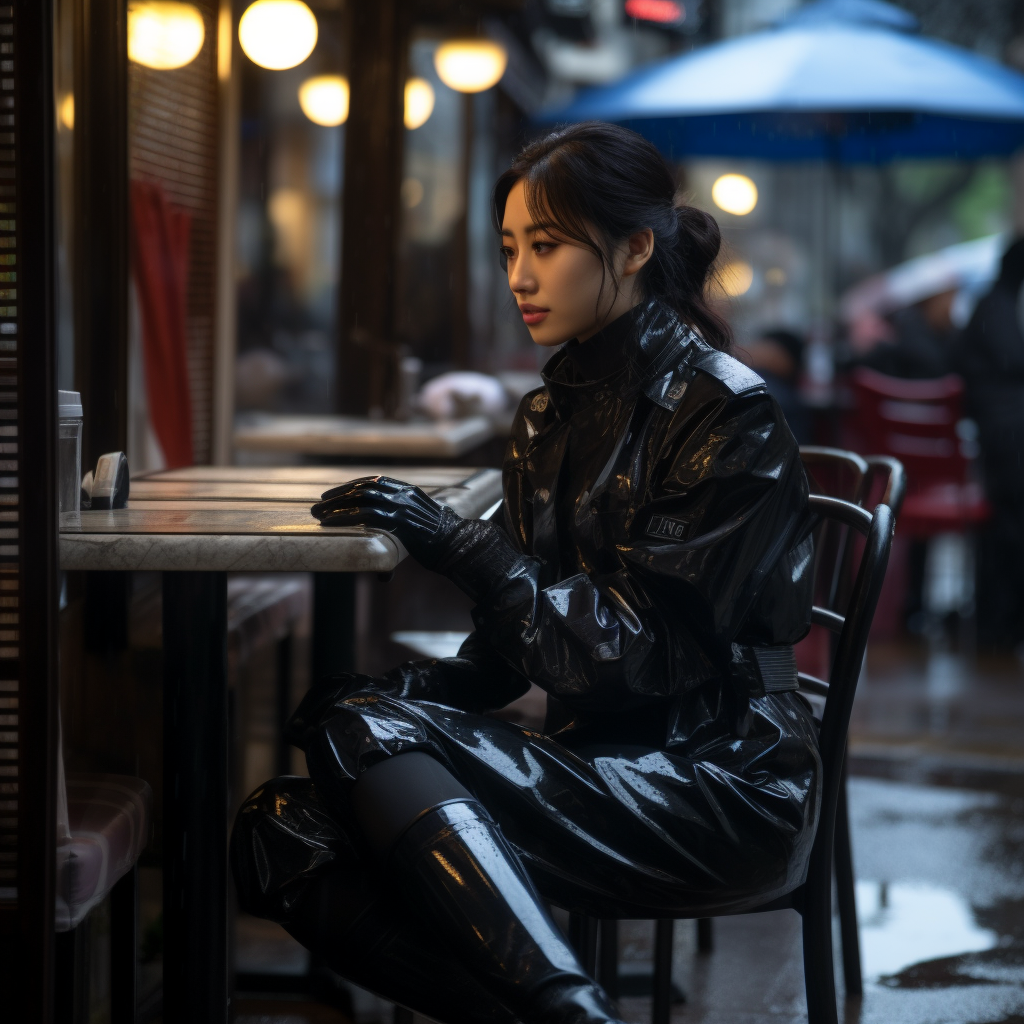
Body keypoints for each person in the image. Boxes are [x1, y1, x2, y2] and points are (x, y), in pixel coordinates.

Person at [231, 123, 821, 1024]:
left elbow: (631, 657)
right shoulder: (551, 413)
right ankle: (562, 1014)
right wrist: (394, 694)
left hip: (721, 781)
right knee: (281, 827)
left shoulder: (724, 412)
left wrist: (463, 547)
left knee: (370, 736)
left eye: (546, 246)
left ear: (634, 247)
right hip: (595, 761)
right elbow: (514, 658)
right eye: (509, 248)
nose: (520, 276)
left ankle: (566, 1011)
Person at [954, 239, 1024, 652]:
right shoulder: (1000, 307)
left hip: (1001, 436)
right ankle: (1003, 622)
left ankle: (1002, 620)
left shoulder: (991, 304)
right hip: (1008, 438)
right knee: (1010, 523)